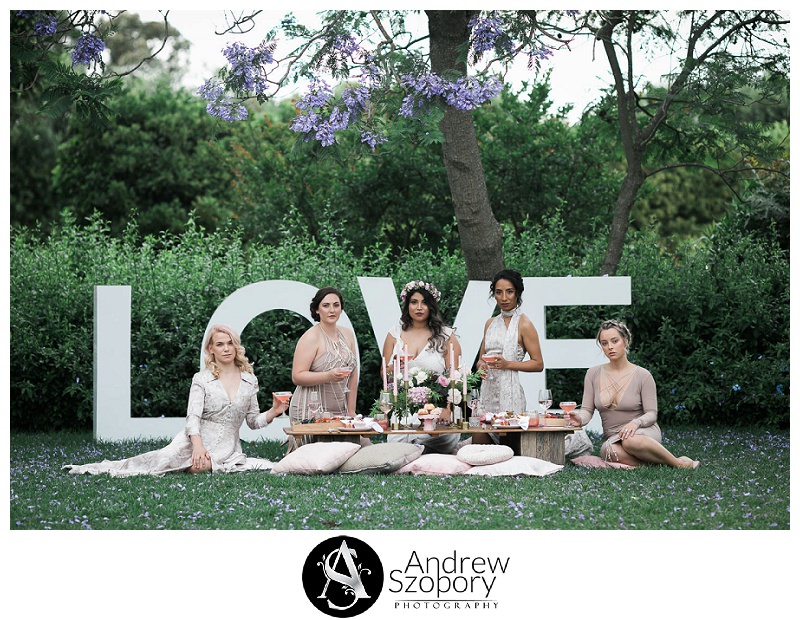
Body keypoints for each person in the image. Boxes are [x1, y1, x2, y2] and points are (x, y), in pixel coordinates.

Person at [63, 325, 288, 476]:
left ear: (236, 345)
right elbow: (193, 417)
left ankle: (200, 462)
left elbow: (252, 422)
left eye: (230, 343)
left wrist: (274, 411)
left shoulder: (249, 380)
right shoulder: (202, 379)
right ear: (211, 349)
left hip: (226, 447)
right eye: (220, 344)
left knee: (201, 468)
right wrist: (197, 447)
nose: (226, 348)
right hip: (193, 440)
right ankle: (98, 468)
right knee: (162, 460)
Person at [567, 319, 700, 468]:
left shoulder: (643, 375)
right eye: (604, 343)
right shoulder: (592, 374)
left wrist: (635, 423)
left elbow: (651, 414)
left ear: (626, 340)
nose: (610, 347)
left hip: (643, 432)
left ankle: (679, 464)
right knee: (608, 451)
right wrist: (579, 419)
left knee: (630, 440)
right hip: (613, 438)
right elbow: (587, 410)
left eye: (614, 341)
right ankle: (665, 463)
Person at [381, 280, 462, 454]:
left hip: (438, 408)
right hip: (404, 406)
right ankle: (416, 446)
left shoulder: (446, 336)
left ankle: (418, 447)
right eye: (414, 302)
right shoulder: (394, 334)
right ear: (407, 305)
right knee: (396, 441)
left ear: (431, 306)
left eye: (424, 302)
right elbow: (384, 374)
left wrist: (447, 410)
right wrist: (394, 364)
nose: (419, 307)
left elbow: (456, 377)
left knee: (442, 438)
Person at [289, 287, 359, 425]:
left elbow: (353, 375)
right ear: (317, 309)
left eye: (336, 305)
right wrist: (328, 376)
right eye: (326, 305)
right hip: (310, 409)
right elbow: (297, 376)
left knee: (361, 444)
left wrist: (351, 411)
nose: (332, 310)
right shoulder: (310, 337)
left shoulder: (348, 334)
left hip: (340, 409)